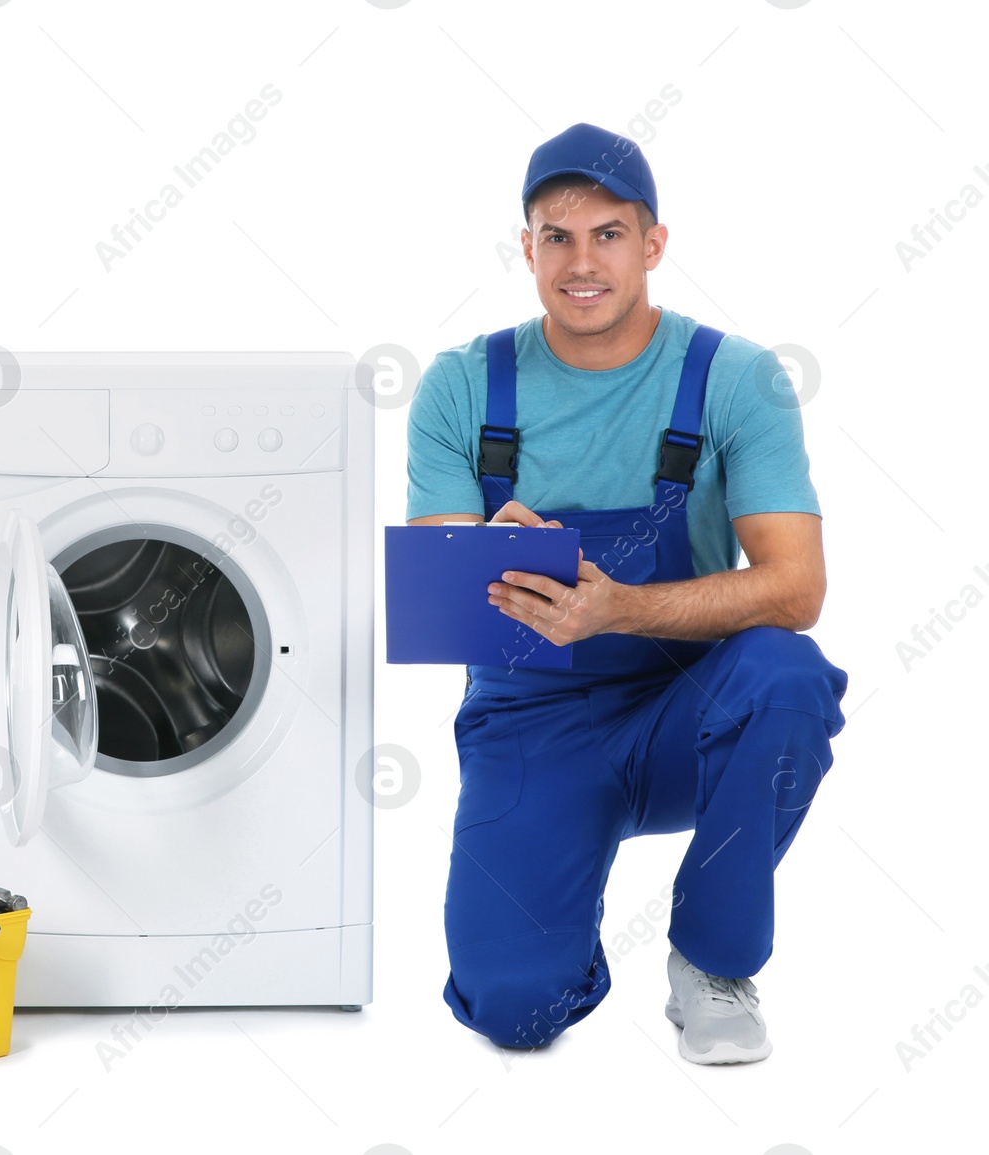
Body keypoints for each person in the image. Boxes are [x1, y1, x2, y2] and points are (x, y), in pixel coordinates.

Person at [404, 123, 848, 1065]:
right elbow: (438, 588)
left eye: (609, 233)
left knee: (787, 673)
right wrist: (484, 556)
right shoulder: (458, 386)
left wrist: (624, 608)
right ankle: (553, 904)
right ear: (526, 248)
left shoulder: (733, 378)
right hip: (530, 720)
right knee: (511, 1012)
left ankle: (712, 959)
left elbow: (798, 587)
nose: (582, 262)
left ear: (653, 243)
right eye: (556, 237)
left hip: (688, 709)